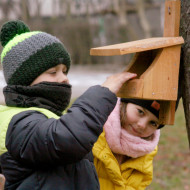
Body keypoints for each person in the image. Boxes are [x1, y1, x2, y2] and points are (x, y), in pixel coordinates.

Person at [0, 20, 137, 190]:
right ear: (24, 81)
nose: (64, 78)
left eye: (64, 71)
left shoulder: (52, 118)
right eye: (53, 72)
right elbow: (65, 140)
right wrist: (103, 93)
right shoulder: (15, 122)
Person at [92, 98, 163, 190]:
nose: (142, 125)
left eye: (153, 123)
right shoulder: (92, 131)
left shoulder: (145, 156)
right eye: (140, 112)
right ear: (124, 103)